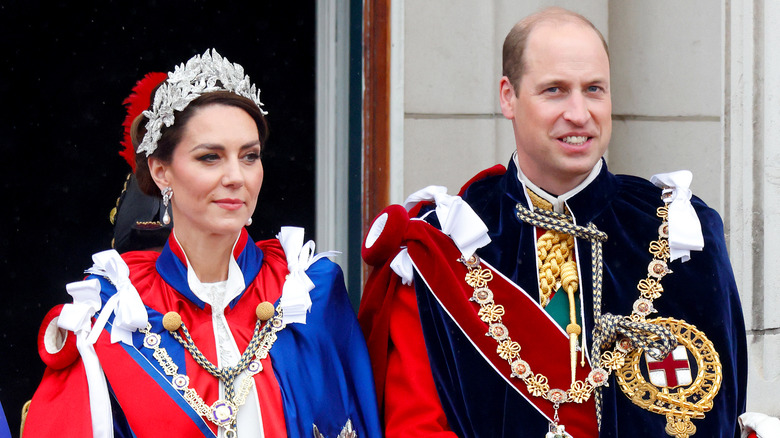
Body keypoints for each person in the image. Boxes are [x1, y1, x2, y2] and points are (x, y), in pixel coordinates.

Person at [358, 7, 746, 438]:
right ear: (508, 96)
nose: (579, 114)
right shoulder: (441, 244)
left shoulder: (680, 231)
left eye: (594, 89)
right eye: (555, 90)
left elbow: (722, 409)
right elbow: (416, 424)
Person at [23, 49, 381, 438]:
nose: (235, 177)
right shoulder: (112, 319)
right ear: (162, 171)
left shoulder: (310, 292)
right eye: (210, 157)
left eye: (249, 156)